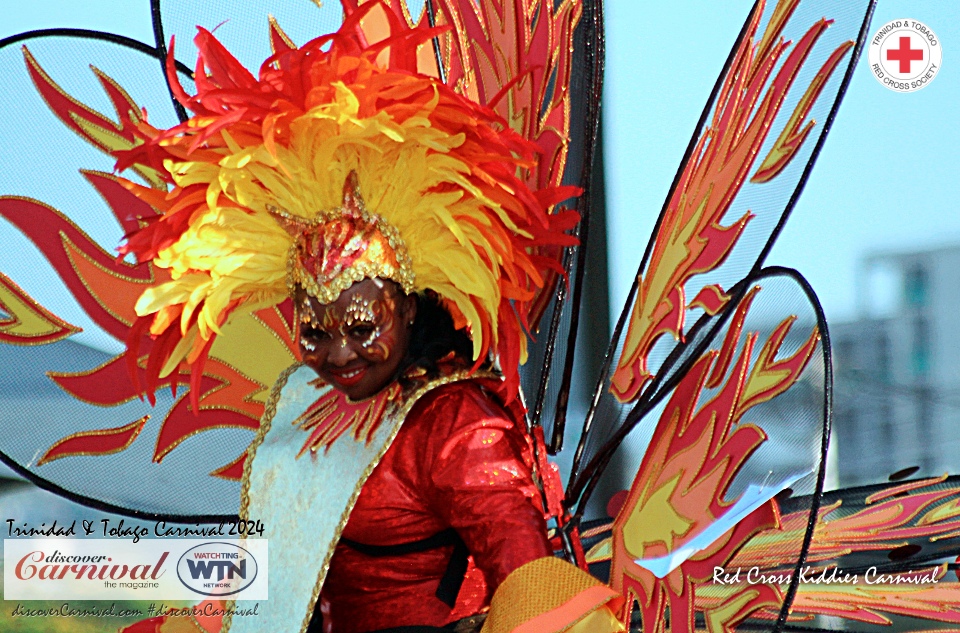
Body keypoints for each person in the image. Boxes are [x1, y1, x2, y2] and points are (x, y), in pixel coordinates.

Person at [111, 3, 623, 632]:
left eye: (361, 327)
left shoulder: (454, 423)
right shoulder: (304, 397)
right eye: (314, 333)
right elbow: (273, 576)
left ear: (408, 305)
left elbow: (528, 578)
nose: (339, 356)